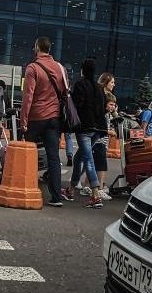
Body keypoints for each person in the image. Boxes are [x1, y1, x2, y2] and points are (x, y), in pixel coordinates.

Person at [21, 37, 66, 207]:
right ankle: (56, 197)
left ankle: (29, 188)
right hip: (54, 118)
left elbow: (28, 96)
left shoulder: (32, 68)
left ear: (37, 47)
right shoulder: (60, 68)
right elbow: (64, 92)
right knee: (53, 157)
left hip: (35, 117)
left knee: (29, 154)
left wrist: (23, 120)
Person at [62, 58, 106, 208]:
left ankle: (96, 195)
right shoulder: (99, 88)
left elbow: (76, 105)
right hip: (98, 128)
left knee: (87, 159)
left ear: (82, 70)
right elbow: (103, 107)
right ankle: (71, 189)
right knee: (79, 158)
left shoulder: (80, 85)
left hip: (85, 128)